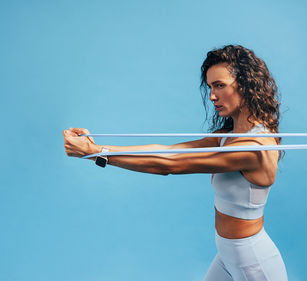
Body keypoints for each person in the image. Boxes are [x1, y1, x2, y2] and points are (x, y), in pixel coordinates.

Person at [63, 45, 288, 281]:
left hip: (253, 263)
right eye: (210, 87)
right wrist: (97, 149)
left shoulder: (253, 149)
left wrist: (96, 153)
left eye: (220, 85)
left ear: (245, 84)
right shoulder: (229, 136)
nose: (212, 96)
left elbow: (170, 164)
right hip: (227, 255)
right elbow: (169, 151)